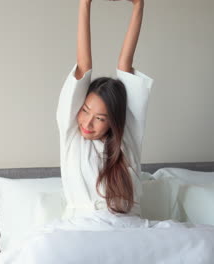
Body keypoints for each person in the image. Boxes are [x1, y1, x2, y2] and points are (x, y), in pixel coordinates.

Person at [56, 0, 154, 220]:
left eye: (100, 118)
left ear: (114, 122)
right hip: (80, 230)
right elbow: (83, 66)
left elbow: (124, 65)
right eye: (85, 110)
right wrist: (85, 3)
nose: (87, 123)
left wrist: (139, 5)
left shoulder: (127, 139)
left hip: (128, 232)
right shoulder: (72, 135)